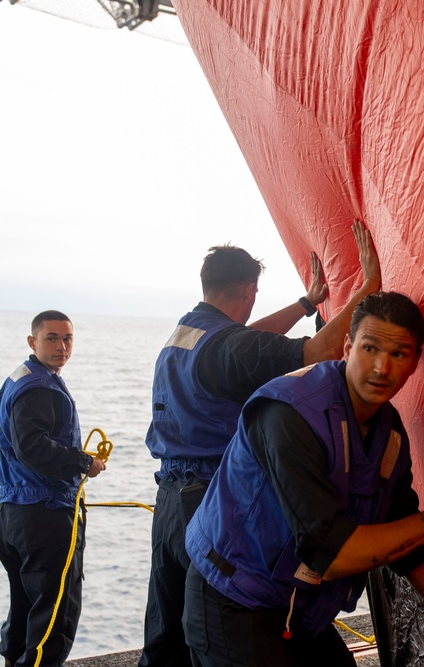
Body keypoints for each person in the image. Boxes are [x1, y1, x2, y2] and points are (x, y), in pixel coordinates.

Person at [182, 292, 424, 667]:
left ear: (415, 363)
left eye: (398, 354)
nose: (380, 368)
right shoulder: (290, 413)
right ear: (347, 345)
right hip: (233, 601)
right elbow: (333, 555)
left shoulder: (388, 434)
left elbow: (407, 546)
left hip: (299, 607)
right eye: (370, 348)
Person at [139, 221, 382, 667]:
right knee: (213, 630)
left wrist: (306, 303)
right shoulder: (228, 347)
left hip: (169, 503)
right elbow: (315, 354)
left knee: (166, 635)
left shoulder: (189, 333)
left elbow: (249, 340)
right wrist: (368, 290)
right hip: (207, 504)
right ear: (249, 291)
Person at [0, 310, 107, 667]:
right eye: (52, 338)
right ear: (33, 341)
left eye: (68, 338)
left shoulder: (21, 378)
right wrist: (84, 462)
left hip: (14, 514)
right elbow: (32, 447)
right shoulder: (39, 387)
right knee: (54, 623)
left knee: (25, 612)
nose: (62, 346)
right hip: (46, 516)